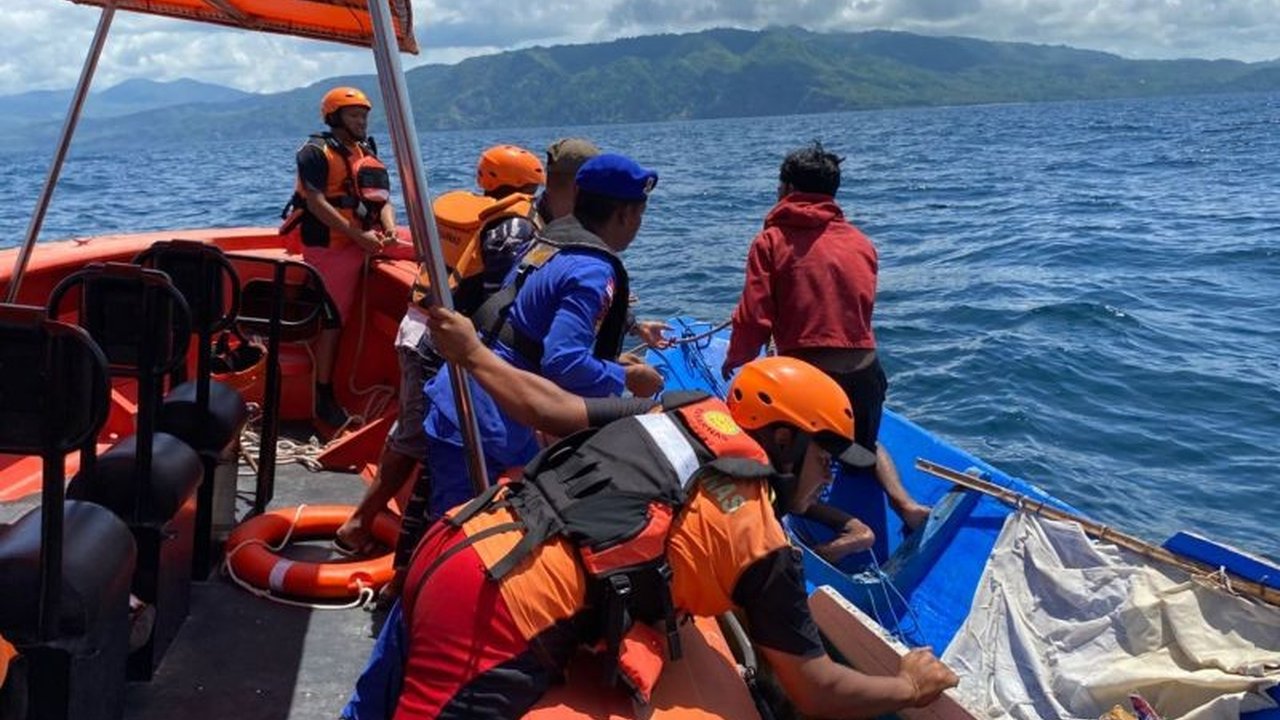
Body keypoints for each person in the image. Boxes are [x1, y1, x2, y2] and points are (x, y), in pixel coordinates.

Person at [366, 304, 958, 719]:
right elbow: (816, 689)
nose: (830, 477)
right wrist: (908, 685)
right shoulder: (760, 541)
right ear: (785, 442)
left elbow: (549, 408)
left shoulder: (678, 410)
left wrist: (473, 353)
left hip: (458, 542)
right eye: (826, 458)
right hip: (500, 611)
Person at [419, 153, 665, 519]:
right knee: (458, 531)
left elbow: (529, 328)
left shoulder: (550, 241)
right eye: (640, 215)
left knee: (439, 517)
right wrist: (627, 376)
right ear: (627, 214)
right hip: (490, 420)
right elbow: (563, 361)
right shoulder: (593, 271)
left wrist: (610, 361)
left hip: (462, 397)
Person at [334, 145, 546, 557]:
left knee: (421, 436)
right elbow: (501, 298)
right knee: (418, 438)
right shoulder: (509, 228)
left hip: (418, 328)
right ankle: (359, 525)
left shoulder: (470, 215)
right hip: (438, 339)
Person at [721, 142, 930, 558]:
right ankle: (904, 503)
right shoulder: (861, 242)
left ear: (785, 189)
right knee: (864, 447)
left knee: (784, 467)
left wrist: (736, 365)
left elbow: (754, 316)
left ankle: (848, 530)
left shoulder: (772, 241)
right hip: (866, 373)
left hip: (809, 386)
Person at [280, 86, 397, 429]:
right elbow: (315, 202)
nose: (361, 121)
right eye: (353, 115)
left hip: (362, 241)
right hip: (328, 248)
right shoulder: (314, 153)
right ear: (334, 118)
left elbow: (382, 199)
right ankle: (323, 395)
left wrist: (388, 228)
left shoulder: (366, 150)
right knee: (332, 321)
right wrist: (357, 236)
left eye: (363, 115)